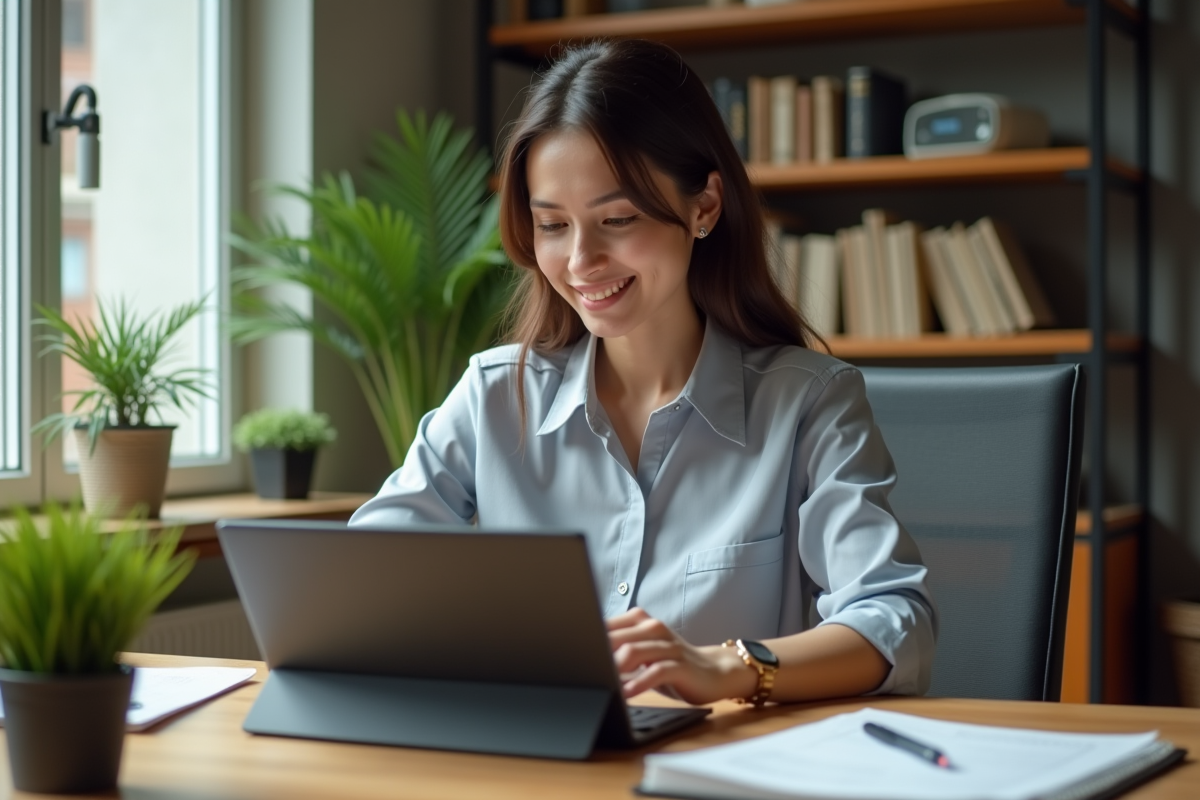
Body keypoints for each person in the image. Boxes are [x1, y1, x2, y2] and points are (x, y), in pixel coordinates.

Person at [350, 38, 935, 706]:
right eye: (551, 225)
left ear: (704, 207)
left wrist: (728, 667)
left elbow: (894, 621)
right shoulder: (493, 396)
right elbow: (364, 588)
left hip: (716, 766)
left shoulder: (809, 404)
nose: (580, 260)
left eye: (618, 219)